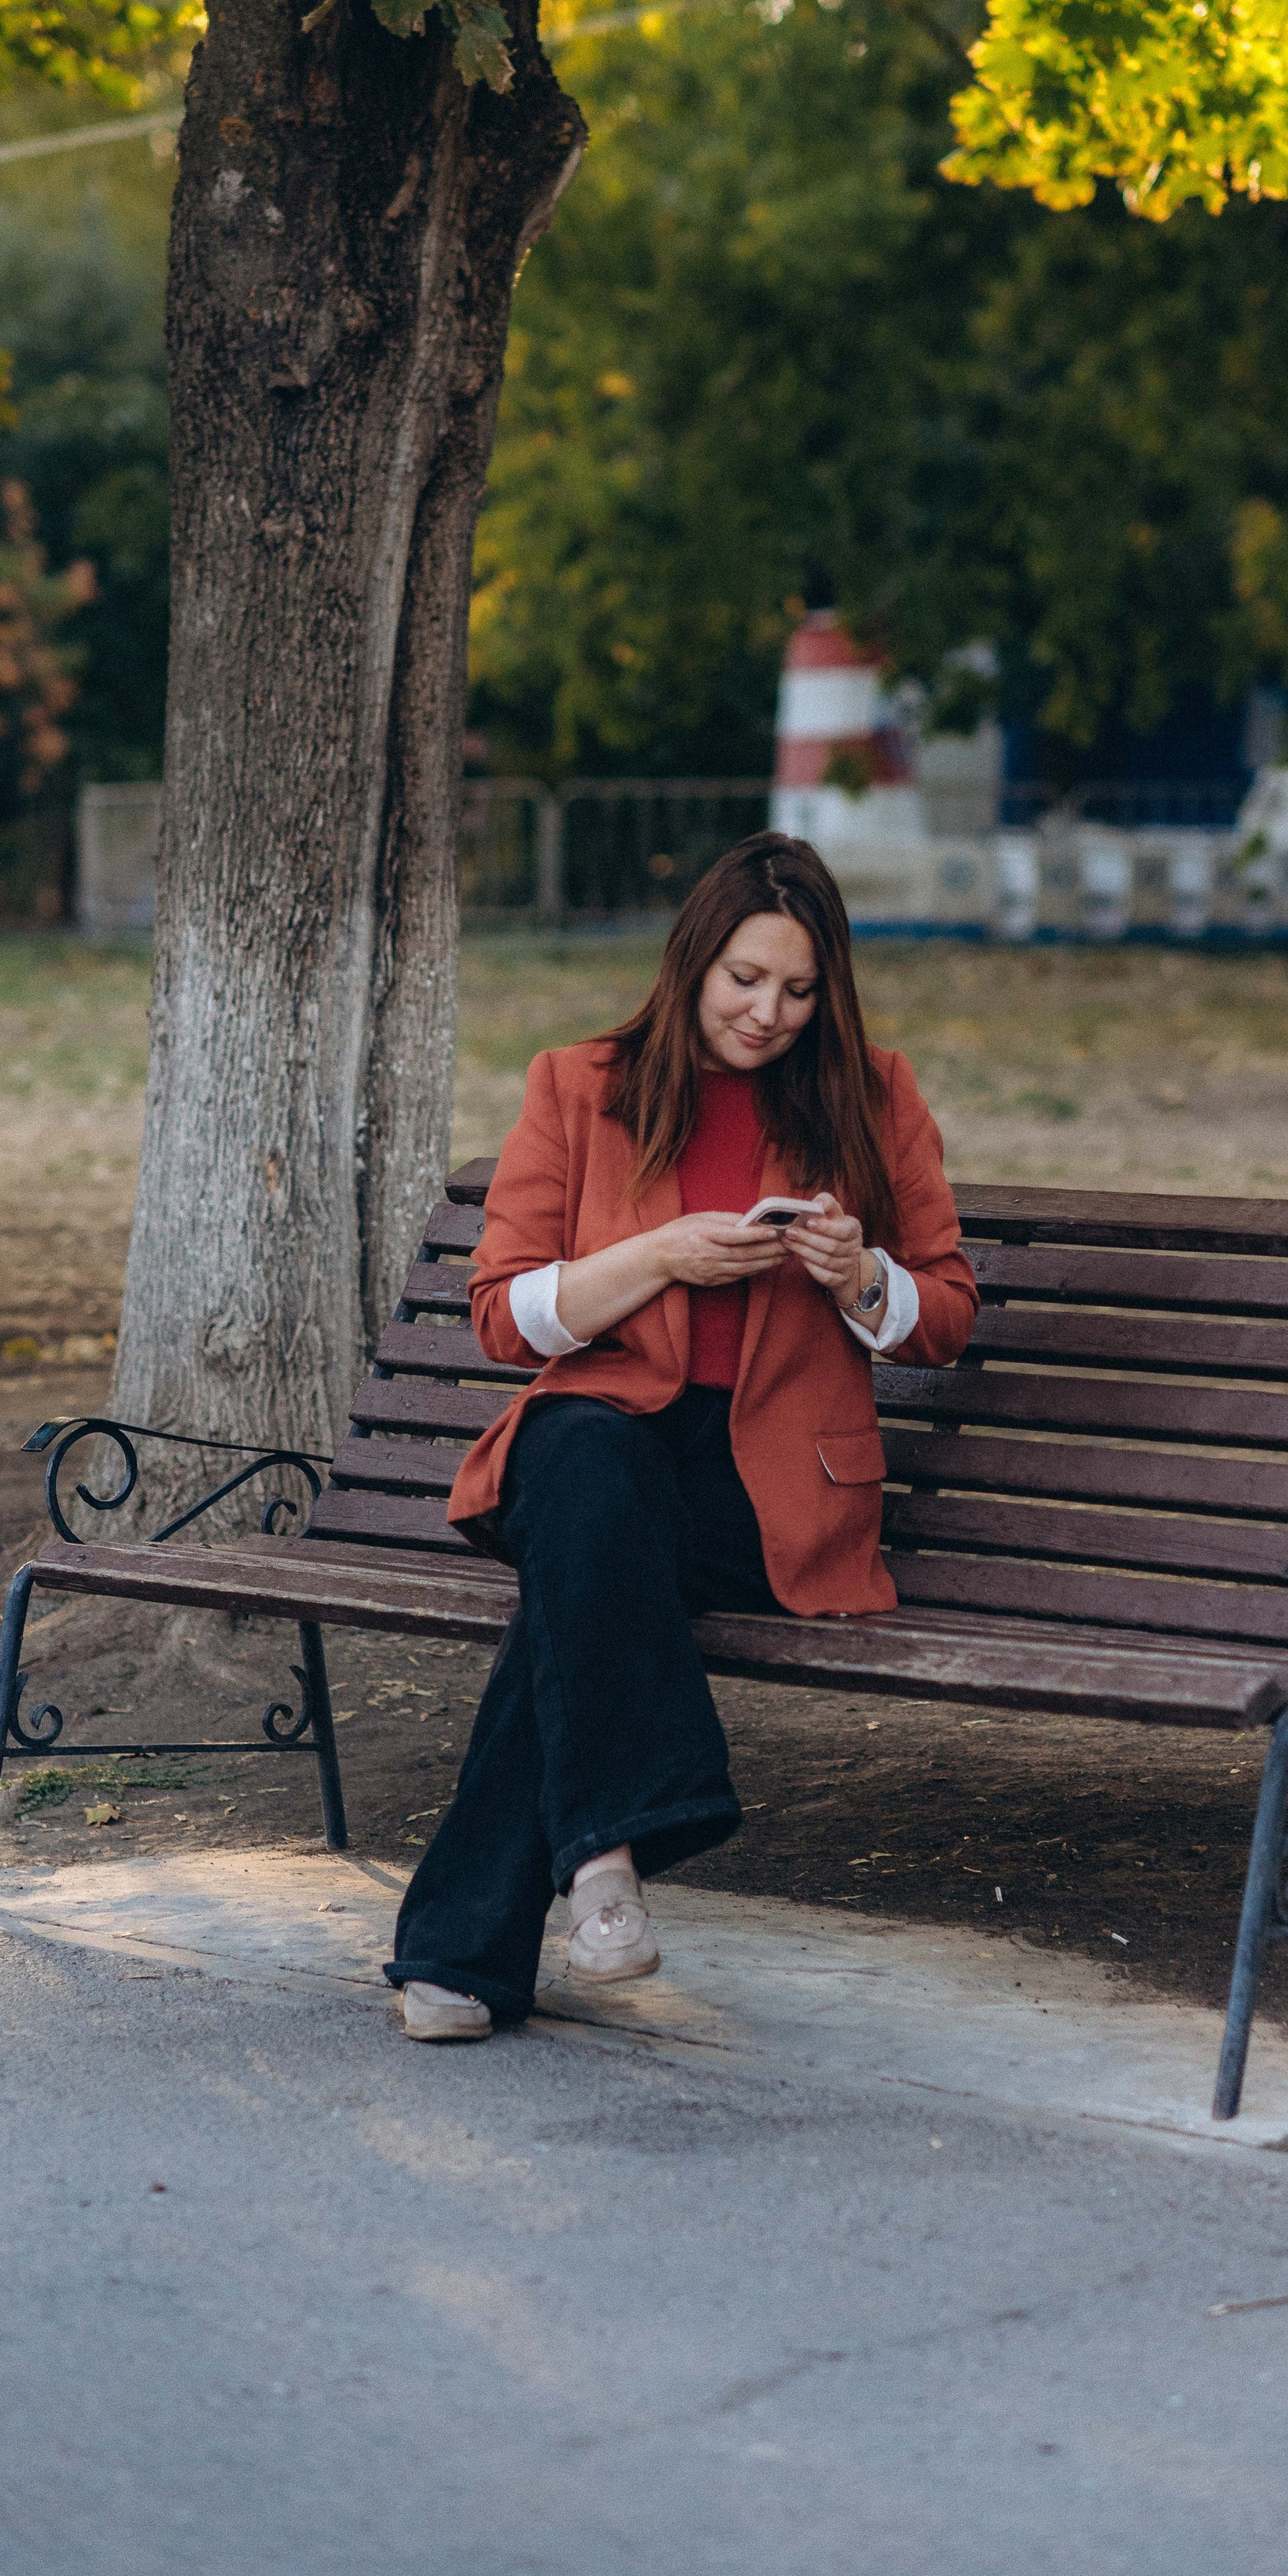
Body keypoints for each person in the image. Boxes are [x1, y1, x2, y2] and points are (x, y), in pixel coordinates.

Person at [388, 831, 979, 2040]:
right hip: (602, 1444)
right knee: (586, 1468)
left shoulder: (872, 1094)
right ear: (693, 961)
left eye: (800, 990)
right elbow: (505, 1317)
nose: (769, 1013)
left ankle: (500, 1924)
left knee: (581, 1576)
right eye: (745, 979)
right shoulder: (582, 1084)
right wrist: (655, 1256)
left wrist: (864, 1277)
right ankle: (599, 1865)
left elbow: (946, 1317)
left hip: (767, 1492)